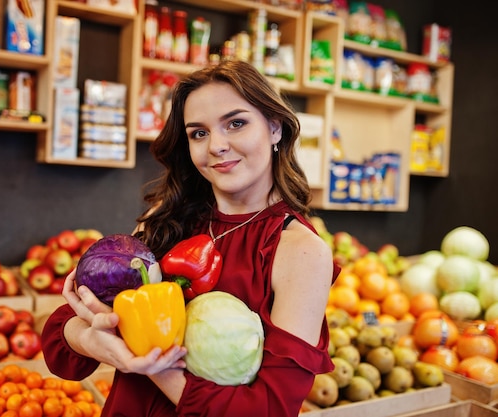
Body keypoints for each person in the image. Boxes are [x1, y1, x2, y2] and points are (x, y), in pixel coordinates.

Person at [41, 59, 339, 417]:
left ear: (275, 128)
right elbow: (63, 337)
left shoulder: (301, 251)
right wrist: (91, 338)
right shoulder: (167, 220)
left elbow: (269, 408)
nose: (216, 145)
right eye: (199, 133)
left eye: (236, 123)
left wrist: (149, 362)